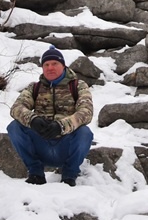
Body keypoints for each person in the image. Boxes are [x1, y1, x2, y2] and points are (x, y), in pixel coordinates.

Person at [7, 45, 94, 186]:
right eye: (46, 64)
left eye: (54, 64)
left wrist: (61, 126)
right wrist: (33, 120)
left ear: (63, 65)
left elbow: (86, 112)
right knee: (15, 127)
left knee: (84, 132)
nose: (50, 68)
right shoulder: (34, 88)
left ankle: (69, 175)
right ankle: (36, 173)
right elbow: (16, 108)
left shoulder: (78, 86)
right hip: (42, 144)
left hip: (65, 145)